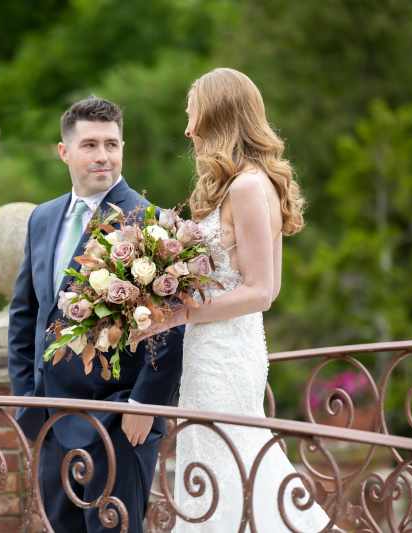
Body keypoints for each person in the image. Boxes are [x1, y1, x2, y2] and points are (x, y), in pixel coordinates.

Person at [133, 68, 330, 531]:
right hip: (216, 348)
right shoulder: (246, 183)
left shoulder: (247, 187)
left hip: (225, 354)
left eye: (193, 115)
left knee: (226, 463)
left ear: (217, 117)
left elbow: (262, 291)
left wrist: (178, 314)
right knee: (218, 463)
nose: (188, 129)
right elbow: (265, 288)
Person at [7, 96, 184, 533]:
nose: (103, 155)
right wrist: (27, 400)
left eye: (111, 144)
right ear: (64, 152)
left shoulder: (149, 221)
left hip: (118, 422)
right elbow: (26, 314)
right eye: (90, 145)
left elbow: (170, 327)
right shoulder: (42, 218)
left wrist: (144, 405)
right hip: (51, 419)